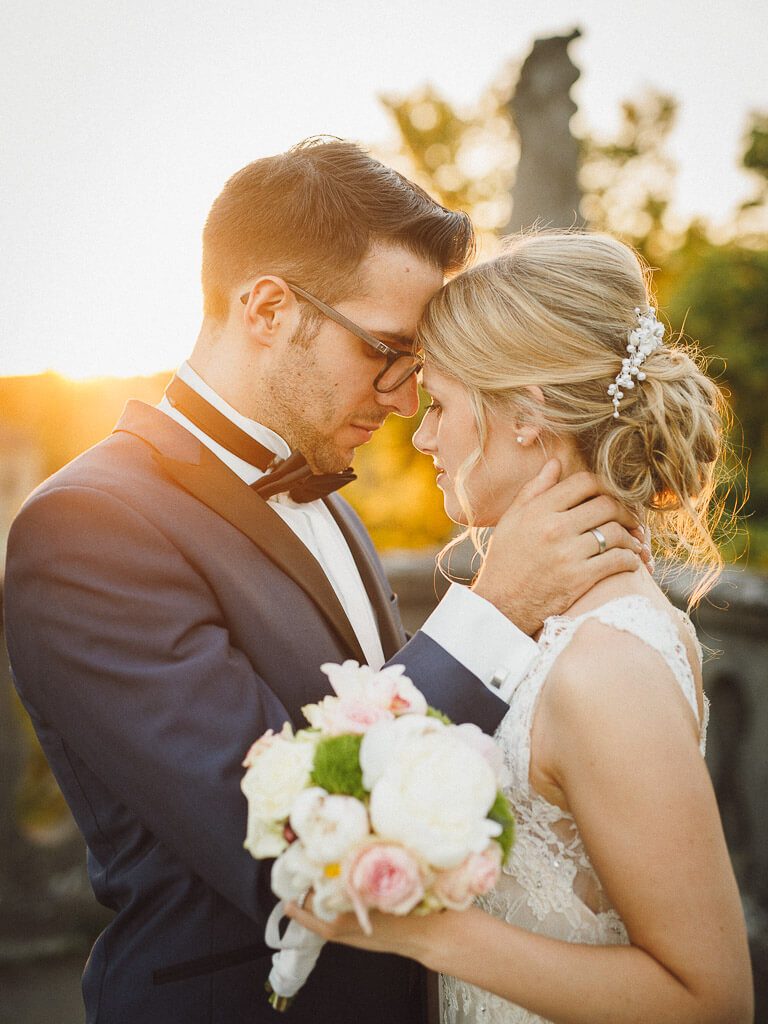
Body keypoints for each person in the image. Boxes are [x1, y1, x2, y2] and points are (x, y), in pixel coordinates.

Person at [3, 143, 642, 1024]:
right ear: (268, 307)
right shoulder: (86, 529)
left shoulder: (330, 495)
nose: (406, 393)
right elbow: (279, 836)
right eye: (388, 350)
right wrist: (497, 611)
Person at [286, 231, 754, 1024]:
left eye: (439, 403)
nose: (423, 435)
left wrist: (432, 936)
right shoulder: (556, 620)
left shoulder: (608, 662)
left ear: (528, 415)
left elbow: (711, 1001)